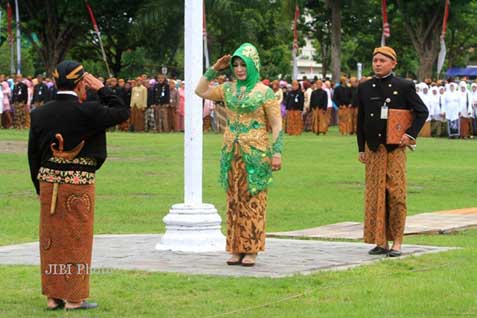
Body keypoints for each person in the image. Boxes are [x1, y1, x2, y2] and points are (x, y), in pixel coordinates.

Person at [28, 60, 130, 310]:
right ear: (80, 83)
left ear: (54, 82)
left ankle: (53, 298)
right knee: (76, 241)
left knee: (51, 241)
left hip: (48, 183)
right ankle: (74, 298)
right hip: (78, 185)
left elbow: (33, 155)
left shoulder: (39, 113)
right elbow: (122, 111)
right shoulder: (90, 111)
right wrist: (102, 88)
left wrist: (39, 186)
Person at [195, 43, 283, 266]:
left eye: (243, 64)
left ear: (253, 65)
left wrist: (277, 153)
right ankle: (235, 247)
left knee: (253, 200)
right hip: (231, 153)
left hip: (256, 153)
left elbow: (276, 124)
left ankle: (251, 248)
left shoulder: (265, 92)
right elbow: (200, 91)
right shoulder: (228, 89)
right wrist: (214, 69)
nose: (239, 69)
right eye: (235, 65)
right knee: (233, 200)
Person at [357, 46, 428, 257]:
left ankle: (397, 241)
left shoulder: (404, 86)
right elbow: (360, 120)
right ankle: (380, 241)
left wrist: (410, 134)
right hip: (374, 149)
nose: (378, 64)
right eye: (375, 60)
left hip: (395, 148)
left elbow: (422, 112)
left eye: (382, 60)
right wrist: (361, 147)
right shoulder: (365, 87)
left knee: (396, 194)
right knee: (375, 195)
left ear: (393, 63)